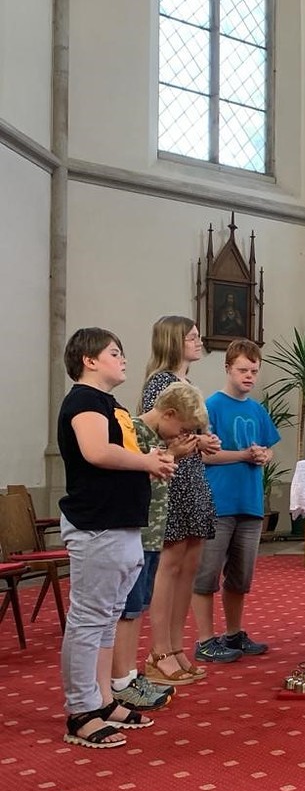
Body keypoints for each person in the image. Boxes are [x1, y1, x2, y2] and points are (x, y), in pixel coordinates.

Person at [57, 327, 176, 748]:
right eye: (113, 352)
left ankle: (104, 700)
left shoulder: (111, 404)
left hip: (120, 524)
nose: (123, 358)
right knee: (89, 619)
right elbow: (96, 451)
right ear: (88, 360)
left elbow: (120, 452)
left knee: (108, 618)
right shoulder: (84, 400)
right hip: (97, 524)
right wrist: (146, 462)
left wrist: (150, 459)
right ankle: (80, 711)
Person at [109, 382, 210, 709]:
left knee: (138, 605)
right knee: (128, 609)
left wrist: (175, 450)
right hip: (136, 533)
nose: (183, 435)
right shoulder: (135, 431)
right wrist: (172, 454)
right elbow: (133, 479)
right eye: (182, 429)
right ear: (168, 414)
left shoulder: (160, 437)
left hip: (152, 534)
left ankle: (130, 675)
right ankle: (121, 679)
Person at [141, 316, 229, 687]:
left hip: (193, 477)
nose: (198, 341)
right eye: (191, 337)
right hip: (172, 479)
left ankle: (177, 647)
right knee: (170, 565)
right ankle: (159, 651)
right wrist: (193, 442)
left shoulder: (187, 382)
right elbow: (153, 435)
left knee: (190, 566)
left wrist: (203, 442)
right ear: (173, 341)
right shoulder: (160, 382)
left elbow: (187, 431)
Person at [192, 340, 280, 661]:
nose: (249, 376)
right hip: (219, 502)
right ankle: (205, 640)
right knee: (206, 575)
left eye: (254, 371)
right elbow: (203, 455)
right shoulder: (211, 406)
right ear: (228, 368)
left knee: (240, 578)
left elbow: (268, 448)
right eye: (243, 370)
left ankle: (233, 634)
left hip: (250, 502)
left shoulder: (257, 409)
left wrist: (264, 455)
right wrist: (244, 455)